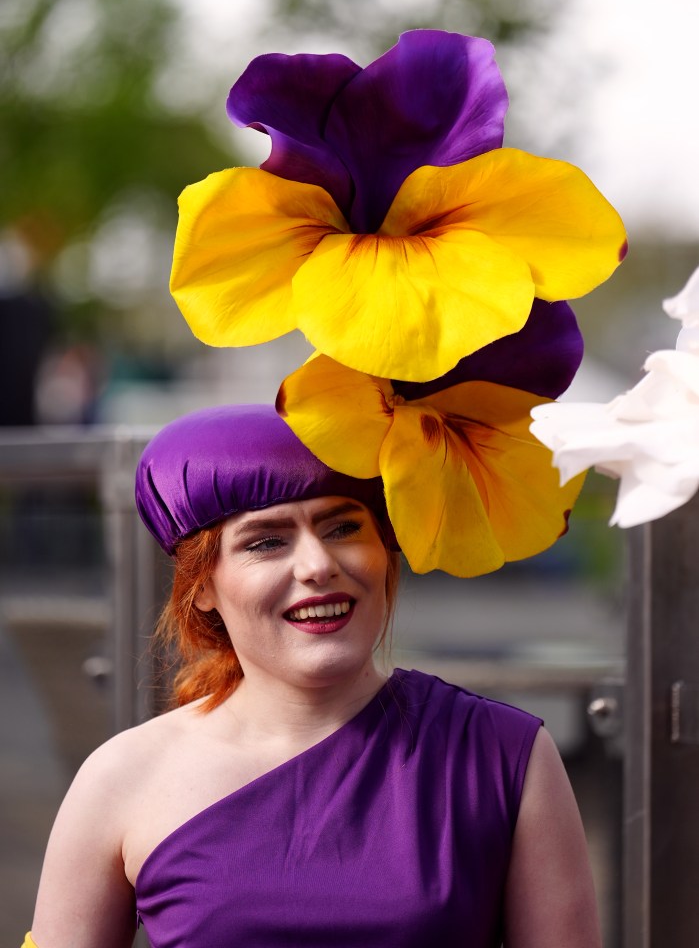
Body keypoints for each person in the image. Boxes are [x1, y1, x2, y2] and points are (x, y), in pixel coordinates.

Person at [24, 403, 602, 948]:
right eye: (267, 541)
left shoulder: (506, 754)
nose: (318, 565)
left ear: (385, 549)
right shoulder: (121, 777)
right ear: (200, 586)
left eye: (343, 528)